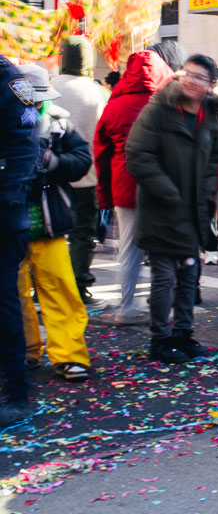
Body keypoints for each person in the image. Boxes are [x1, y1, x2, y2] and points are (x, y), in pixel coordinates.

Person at [125, 54, 218, 363]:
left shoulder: (211, 117)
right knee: (164, 276)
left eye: (200, 78)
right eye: (188, 74)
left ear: (210, 86)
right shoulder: (159, 109)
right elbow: (138, 154)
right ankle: (160, 338)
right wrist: (169, 193)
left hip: (194, 209)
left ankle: (183, 333)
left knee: (189, 274)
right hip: (162, 207)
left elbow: (212, 163)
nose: (191, 81)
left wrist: (206, 194)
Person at [16, 64, 93, 384]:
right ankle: (23, 350)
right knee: (12, 292)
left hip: (49, 220)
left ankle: (69, 354)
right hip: (11, 222)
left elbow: (82, 159)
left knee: (59, 287)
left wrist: (55, 162)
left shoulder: (59, 121)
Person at [94, 50, 176, 326]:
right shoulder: (169, 102)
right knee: (165, 249)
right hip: (164, 184)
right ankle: (164, 309)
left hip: (125, 184)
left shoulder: (114, 106)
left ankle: (126, 307)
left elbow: (101, 154)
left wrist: (103, 195)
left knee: (129, 248)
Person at [51, 36, 109, 306]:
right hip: (87, 175)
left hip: (50, 175)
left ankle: (45, 288)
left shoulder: (49, 87)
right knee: (83, 233)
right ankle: (79, 286)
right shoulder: (97, 91)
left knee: (48, 234)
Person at [0, 56, 42, 425]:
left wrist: (9, 196)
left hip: (2, 212)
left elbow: (25, 147)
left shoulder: (13, 84)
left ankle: (16, 393)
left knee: (4, 304)